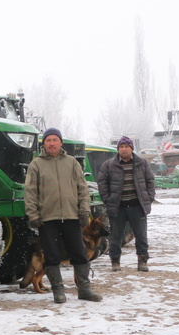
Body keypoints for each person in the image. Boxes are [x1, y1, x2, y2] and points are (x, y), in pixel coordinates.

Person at [24, 127, 102, 303]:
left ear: (61, 143)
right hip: (47, 218)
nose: (51, 143)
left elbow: (82, 189)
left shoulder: (72, 163)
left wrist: (84, 211)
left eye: (54, 140)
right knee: (51, 255)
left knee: (79, 253)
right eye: (48, 140)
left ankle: (84, 289)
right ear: (44, 144)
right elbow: (30, 192)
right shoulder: (36, 165)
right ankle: (58, 291)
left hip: (71, 216)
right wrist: (33, 215)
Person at [97, 135, 156, 272]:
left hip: (137, 206)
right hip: (118, 207)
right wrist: (108, 199)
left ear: (131, 148)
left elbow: (150, 181)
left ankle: (142, 261)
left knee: (141, 236)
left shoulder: (142, 163)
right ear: (118, 149)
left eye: (127, 147)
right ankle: (115, 262)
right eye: (121, 147)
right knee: (115, 237)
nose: (124, 149)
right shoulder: (109, 165)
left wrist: (149, 197)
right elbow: (102, 183)